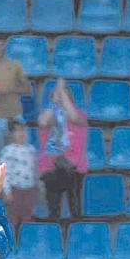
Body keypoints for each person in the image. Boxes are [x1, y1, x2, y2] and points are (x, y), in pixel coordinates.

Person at [36, 78, 89, 219]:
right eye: (57, 95)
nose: (60, 98)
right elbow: (42, 122)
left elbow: (73, 116)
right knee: (54, 210)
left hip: (73, 166)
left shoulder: (80, 115)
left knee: (75, 208)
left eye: (63, 95)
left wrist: (61, 91)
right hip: (51, 167)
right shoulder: (48, 115)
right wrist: (55, 100)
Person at [0, 124, 37, 230]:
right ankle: (11, 242)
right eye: (17, 131)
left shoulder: (31, 149)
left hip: (29, 188)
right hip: (14, 188)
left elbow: (34, 169)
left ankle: (25, 240)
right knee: (12, 217)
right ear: (11, 134)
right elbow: (4, 172)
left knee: (27, 216)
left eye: (23, 131)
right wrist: (6, 191)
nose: (21, 134)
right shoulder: (7, 150)